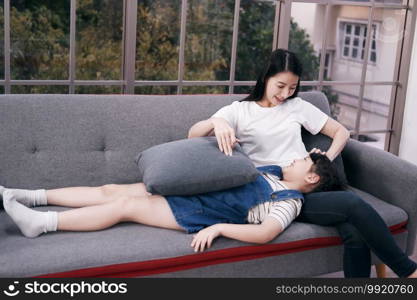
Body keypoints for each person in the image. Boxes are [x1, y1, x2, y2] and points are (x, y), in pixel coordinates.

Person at [187, 49, 417, 278]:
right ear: (266, 77)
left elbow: (340, 132)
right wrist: (216, 122)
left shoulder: (296, 106)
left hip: (311, 183)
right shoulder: (240, 111)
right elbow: (192, 136)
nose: (286, 93)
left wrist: (327, 157)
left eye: (292, 87)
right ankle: (407, 271)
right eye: (280, 86)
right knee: (351, 208)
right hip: (279, 192)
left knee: (354, 228)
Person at [2, 153, 341, 254]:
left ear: (311, 178)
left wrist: (220, 227)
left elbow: (267, 233)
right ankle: (26, 195)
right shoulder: (271, 171)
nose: (294, 159)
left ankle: (41, 223)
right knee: (111, 190)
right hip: (191, 190)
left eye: (302, 161)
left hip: (197, 212)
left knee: (125, 208)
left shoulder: (290, 201)